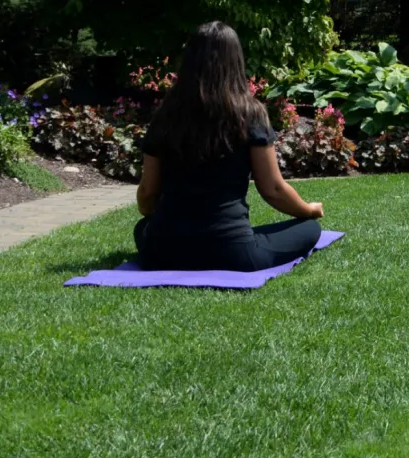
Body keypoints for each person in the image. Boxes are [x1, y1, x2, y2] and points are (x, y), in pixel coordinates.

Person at [133, 21, 324, 272]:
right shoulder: (250, 114)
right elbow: (273, 189)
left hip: (161, 252)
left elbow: (147, 194)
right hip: (232, 253)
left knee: (142, 228)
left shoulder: (165, 116)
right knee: (310, 228)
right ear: (236, 61)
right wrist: (308, 209)